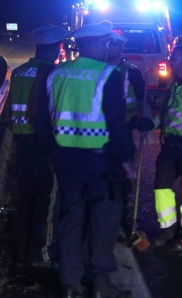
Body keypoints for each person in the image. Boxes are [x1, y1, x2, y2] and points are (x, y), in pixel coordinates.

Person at [36, 21, 133, 298]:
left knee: (70, 221)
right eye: (104, 42)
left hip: (66, 161)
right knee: (103, 221)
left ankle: (70, 285)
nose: (107, 47)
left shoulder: (57, 73)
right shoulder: (108, 75)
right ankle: (101, 285)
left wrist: (52, 153)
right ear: (94, 44)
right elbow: (116, 124)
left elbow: (44, 120)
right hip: (100, 164)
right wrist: (125, 161)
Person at [137, 45, 182, 251]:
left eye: (175, 58)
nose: (171, 61)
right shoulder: (173, 85)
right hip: (169, 147)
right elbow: (166, 115)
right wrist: (150, 123)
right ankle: (167, 228)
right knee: (161, 188)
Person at [6, 25, 66, 268]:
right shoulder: (51, 73)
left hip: (20, 146)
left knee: (25, 201)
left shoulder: (19, 72)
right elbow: (45, 114)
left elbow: (8, 110)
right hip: (41, 148)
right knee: (45, 203)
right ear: (54, 48)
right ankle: (39, 255)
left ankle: (21, 250)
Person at [105, 30, 146, 237]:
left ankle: (121, 220)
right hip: (100, 135)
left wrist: (144, 124)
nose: (111, 48)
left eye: (115, 44)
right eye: (109, 44)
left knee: (123, 181)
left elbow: (142, 101)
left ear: (121, 48)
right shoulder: (97, 69)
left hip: (124, 132)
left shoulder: (132, 72)